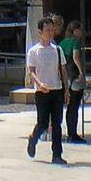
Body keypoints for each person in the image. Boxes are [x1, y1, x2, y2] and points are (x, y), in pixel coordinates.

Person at [23, 17, 70, 165]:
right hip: (41, 92)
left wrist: (66, 89)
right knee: (43, 123)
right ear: (40, 32)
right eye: (47, 30)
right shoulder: (33, 51)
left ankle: (57, 154)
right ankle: (34, 138)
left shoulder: (57, 49)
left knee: (57, 123)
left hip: (56, 89)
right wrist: (39, 83)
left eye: (52, 30)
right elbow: (31, 71)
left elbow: (62, 70)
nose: (50, 33)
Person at [60, 20, 89, 143]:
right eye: (80, 30)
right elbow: (76, 57)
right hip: (74, 76)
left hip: (65, 76)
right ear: (75, 31)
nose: (82, 32)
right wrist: (81, 72)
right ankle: (73, 133)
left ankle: (68, 133)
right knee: (74, 106)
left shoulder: (61, 43)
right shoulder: (75, 42)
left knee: (68, 106)